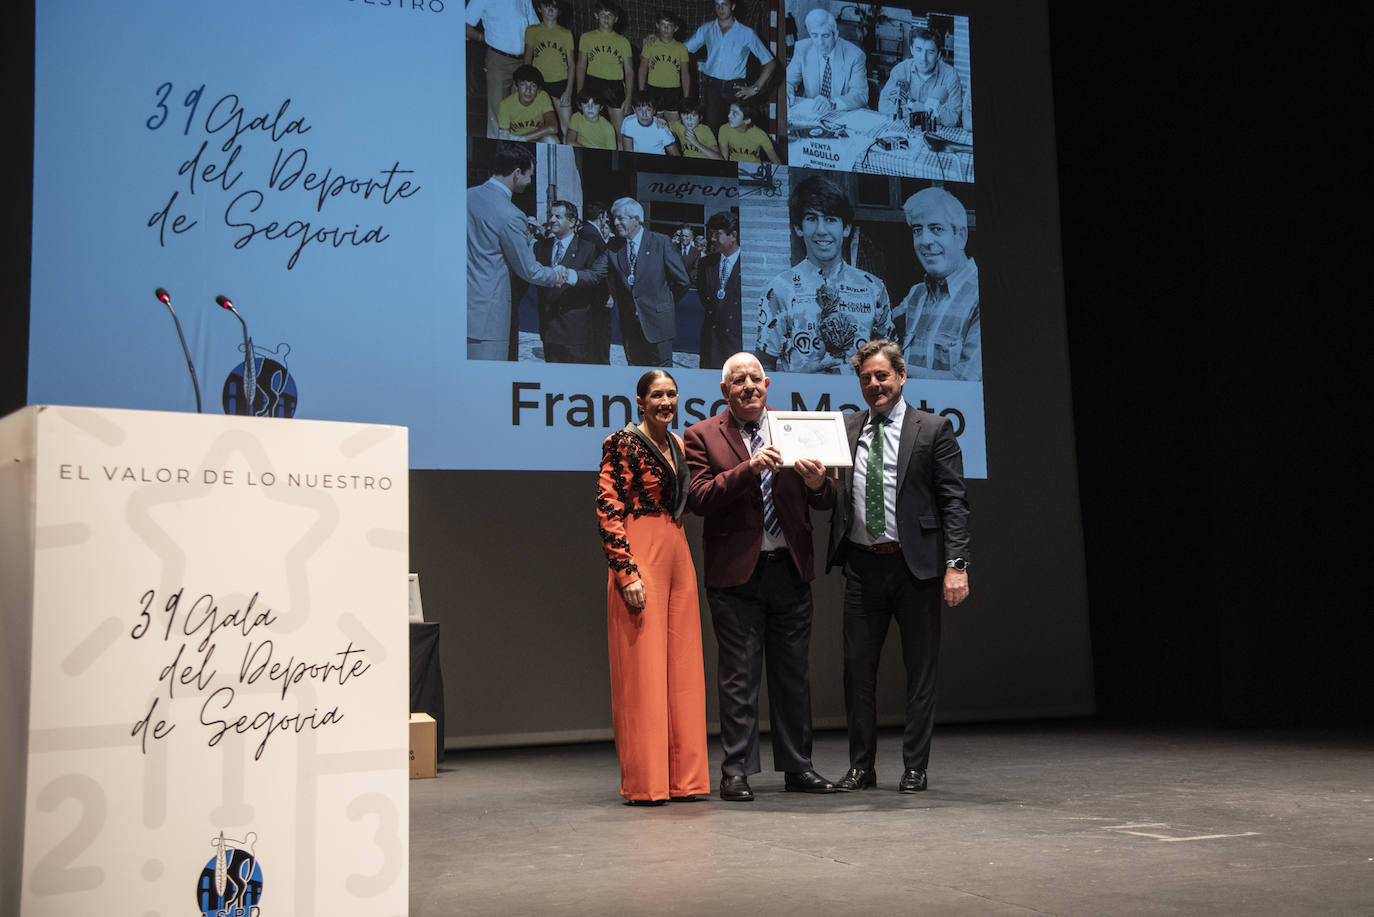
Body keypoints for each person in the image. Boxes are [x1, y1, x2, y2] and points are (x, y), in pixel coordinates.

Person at [683, 352, 838, 801]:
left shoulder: (795, 427)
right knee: (739, 678)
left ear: (768, 383)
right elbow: (698, 498)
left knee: (793, 676)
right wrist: (746, 470)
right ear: (724, 391)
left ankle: (798, 767)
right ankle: (736, 771)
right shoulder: (701, 435)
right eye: (739, 381)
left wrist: (816, 484)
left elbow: (827, 498)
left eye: (756, 379)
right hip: (736, 577)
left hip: (789, 570)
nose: (749, 386)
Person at [825, 339, 970, 794]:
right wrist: (815, 483)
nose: (874, 384)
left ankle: (914, 766)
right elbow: (831, 499)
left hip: (916, 570)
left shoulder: (934, 428)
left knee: (920, 671)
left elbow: (954, 503)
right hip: (862, 567)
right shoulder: (846, 429)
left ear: (902, 377)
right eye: (866, 377)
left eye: (882, 376)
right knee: (856, 673)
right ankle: (861, 767)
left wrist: (957, 564)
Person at [596, 370, 711, 804]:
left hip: (678, 550)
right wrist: (625, 572)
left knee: (683, 669)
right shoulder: (621, 443)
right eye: (657, 395)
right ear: (640, 402)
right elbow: (608, 507)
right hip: (641, 551)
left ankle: (686, 780)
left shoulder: (679, 444)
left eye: (672, 394)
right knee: (643, 671)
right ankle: (648, 782)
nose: (666, 402)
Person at [756, 175, 893, 373]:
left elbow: (890, 361)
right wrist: (802, 378)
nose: (821, 230)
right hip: (803, 402)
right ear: (798, 228)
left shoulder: (873, 288)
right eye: (812, 219)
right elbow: (764, 366)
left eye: (830, 219)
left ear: (845, 228)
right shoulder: (779, 289)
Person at [466, 143, 568, 360]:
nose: (530, 182)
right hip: (489, 319)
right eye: (529, 176)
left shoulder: (467, 196)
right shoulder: (511, 215)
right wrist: (556, 274)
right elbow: (528, 270)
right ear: (516, 173)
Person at [898, 187, 981, 380]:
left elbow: (966, 381)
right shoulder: (915, 295)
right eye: (917, 230)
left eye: (936, 229)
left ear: (961, 236)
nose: (925, 240)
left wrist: (891, 371)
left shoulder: (982, 294)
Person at [605, 197, 689, 366]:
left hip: (658, 326)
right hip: (630, 327)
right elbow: (598, 273)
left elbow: (682, 281)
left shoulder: (660, 242)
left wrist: (663, 302)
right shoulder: (614, 246)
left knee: (661, 379)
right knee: (637, 377)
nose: (615, 223)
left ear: (636, 219)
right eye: (614, 218)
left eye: (620, 218)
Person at [534, 199, 609, 363]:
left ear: (572, 221)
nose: (552, 220)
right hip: (549, 329)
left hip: (576, 332)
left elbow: (597, 286)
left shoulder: (588, 249)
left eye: (558, 216)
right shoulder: (541, 247)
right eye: (551, 215)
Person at [684, 0, 776, 131]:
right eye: (717, 4)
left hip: (735, 88)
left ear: (733, 6)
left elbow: (770, 63)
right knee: (712, 130)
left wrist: (755, 88)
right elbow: (683, 49)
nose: (720, 8)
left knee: (737, 132)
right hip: (712, 87)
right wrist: (657, 39)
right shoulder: (706, 29)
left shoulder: (747, 33)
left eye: (724, 4)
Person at [466, 0, 539, 139]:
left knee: (519, 114)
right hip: (499, 61)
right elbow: (465, 26)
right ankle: (497, 155)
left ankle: (515, 153)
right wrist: (482, 38)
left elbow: (535, 28)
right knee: (498, 114)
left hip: (524, 62)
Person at [786, 8, 868, 114]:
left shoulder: (855, 55)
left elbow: (860, 95)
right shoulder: (802, 48)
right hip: (812, 114)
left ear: (836, 34)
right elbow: (788, 80)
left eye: (825, 36)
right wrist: (787, 92)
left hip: (843, 114)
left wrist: (832, 103)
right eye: (814, 35)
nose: (820, 43)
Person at [878, 29, 964, 128]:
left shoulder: (951, 76)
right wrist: (924, 109)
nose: (923, 58)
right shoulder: (901, 70)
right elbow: (883, 106)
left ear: (938, 54)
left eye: (930, 52)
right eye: (919, 50)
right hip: (905, 130)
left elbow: (953, 119)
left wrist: (921, 107)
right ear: (911, 50)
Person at [576, 0, 634, 135]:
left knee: (620, 132)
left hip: (614, 87)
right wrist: (580, 92)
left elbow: (629, 71)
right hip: (592, 85)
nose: (606, 18)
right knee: (591, 130)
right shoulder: (586, 38)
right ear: (596, 15)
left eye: (610, 15)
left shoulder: (623, 42)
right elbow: (581, 66)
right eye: (603, 14)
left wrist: (629, 97)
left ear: (616, 19)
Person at [697, 210, 742, 369]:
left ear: (733, 235)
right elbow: (704, 298)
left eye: (717, 234)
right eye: (710, 234)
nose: (712, 239)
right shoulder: (705, 264)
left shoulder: (748, 265)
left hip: (738, 345)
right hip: (712, 343)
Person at [523, 0, 574, 137]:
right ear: (539, 9)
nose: (550, 11)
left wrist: (568, 91)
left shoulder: (566, 34)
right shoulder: (531, 30)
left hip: (560, 84)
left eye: (554, 7)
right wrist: (527, 86)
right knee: (537, 125)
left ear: (559, 11)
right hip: (538, 85)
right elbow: (527, 61)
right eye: (547, 7)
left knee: (567, 128)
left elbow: (572, 65)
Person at [638, 10, 690, 119]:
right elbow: (642, 70)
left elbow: (685, 74)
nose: (666, 28)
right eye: (663, 24)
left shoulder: (681, 48)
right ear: (657, 25)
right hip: (653, 90)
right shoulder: (650, 45)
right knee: (655, 126)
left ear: (675, 28)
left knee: (674, 127)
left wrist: (686, 97)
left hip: (673, 91)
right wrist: (641, 92)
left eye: (669, 25)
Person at [584, 201, 615, 362]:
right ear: (602, 217)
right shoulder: (593, 236)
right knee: (600, 335)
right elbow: (600, 271)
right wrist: (607, 294)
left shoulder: (585, 231)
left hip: (591, 293)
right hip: (597, 295)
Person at [498, 65, 561, 143]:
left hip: (536, 139)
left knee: (552, 139)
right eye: (523, 85)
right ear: (516, 86)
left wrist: (523, 138)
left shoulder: (542, 96)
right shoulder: (505, 104)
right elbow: (503, 136)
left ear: (538, 90)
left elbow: (553, 127)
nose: (528, 90)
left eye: (533, 86)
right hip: (516, 143)